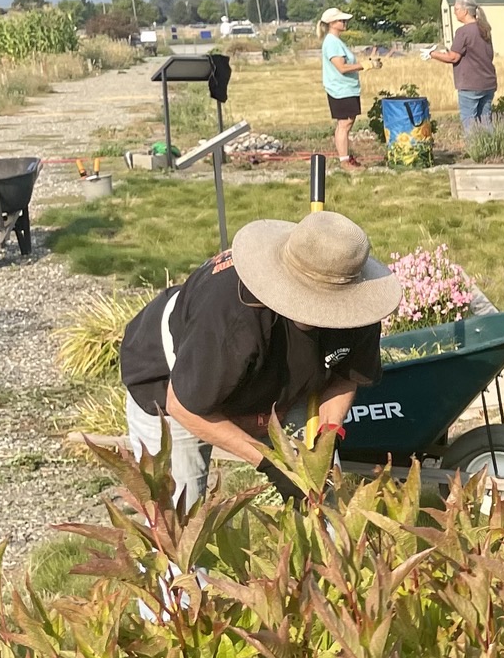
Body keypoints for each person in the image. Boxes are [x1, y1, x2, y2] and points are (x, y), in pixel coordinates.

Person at [118, 211, 401, 508]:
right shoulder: (233, 318)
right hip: (178, 384)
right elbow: (184, 406)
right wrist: (271, 464)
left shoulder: (358, 307)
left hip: (277, 385)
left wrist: (328, 436)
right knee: (177, 516)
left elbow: (346, 374)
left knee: (324, 498)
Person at [430, 0, 498, 135]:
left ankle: (475, 151)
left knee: (469, 122)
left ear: (465, 11)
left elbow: (453, 57)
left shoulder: (463, 32)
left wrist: (432, 54)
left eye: (456, 9)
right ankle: (492, 149)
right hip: (488, 82)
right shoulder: (484, 29)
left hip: (470, 84)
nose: (454, 13)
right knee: (486, 121)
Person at [319, 7, 367, 167]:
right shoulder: (332, 43)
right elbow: (342, 67)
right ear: (332, 23)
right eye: (341, 20)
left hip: (346, 88)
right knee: (344, 124)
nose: (345, 22)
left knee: (347, 123)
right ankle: (344, 161)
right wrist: (364, 65)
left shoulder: (335, 41)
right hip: (340, 90)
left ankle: (346, 158)